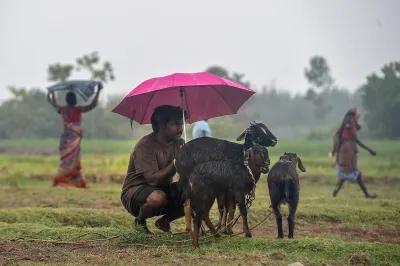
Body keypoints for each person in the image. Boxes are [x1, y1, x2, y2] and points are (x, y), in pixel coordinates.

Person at [121, 105, 187, 234]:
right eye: (176, 124)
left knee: (194, 193)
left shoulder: (179, 143)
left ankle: (165, 221)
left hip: (163, 189)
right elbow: (152, 181)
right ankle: (139, 222)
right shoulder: (145, 146)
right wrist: (176, 162)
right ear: (162, 126)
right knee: (157, 198)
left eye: (182, 123)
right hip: (135, 192)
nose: (181, 128)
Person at [47, 85, 102, 188]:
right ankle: (64, 180)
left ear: (67, 100)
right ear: (75, 100)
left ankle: (66, 180)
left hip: (65, 140)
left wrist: (52, 93)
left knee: (65, 161)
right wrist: (97, 92)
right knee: (73, 161)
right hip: (75, 139)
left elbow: (54, 103)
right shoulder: (78, 109)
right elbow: (92, 105)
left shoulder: (63, 109)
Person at [330, 108, 377, 198]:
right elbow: (357, 140)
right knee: (352, 175)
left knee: (347, 176)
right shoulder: (350, 126)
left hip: (345, 152)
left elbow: (337, 138)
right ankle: (334, 194)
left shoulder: (345, 125)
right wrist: (370, 150)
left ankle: (334, 194)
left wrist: (334, 151)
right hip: (348, 153)